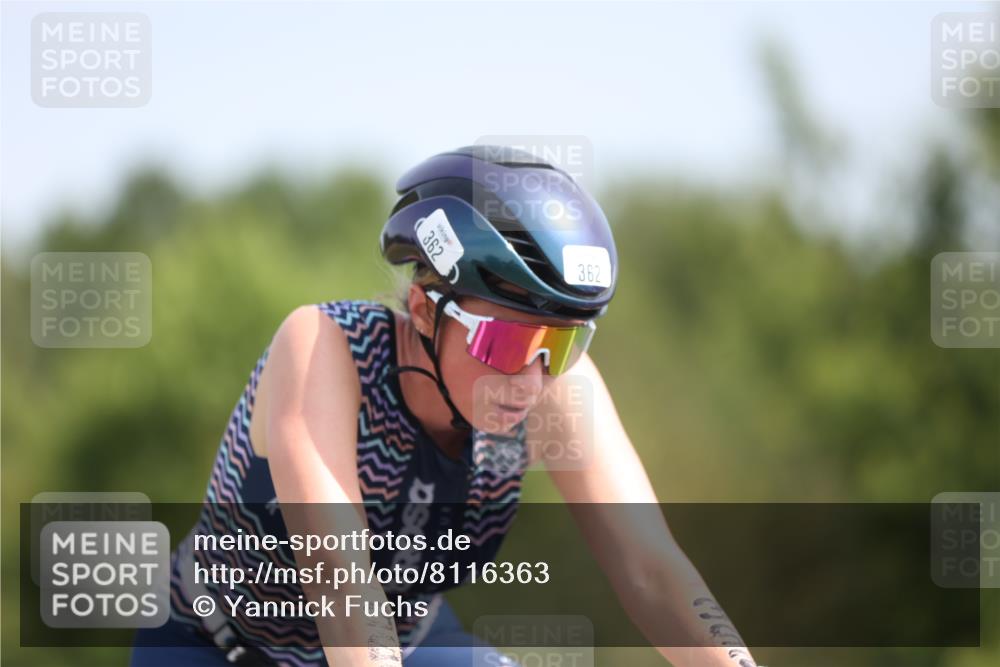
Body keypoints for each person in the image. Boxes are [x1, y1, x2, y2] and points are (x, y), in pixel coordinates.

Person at [130, 145, 757, 667]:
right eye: (507, 339)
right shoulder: (324, 348)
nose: (531, 377)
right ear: (427, 308)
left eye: (563, 342)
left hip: (411, 647)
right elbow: (346, 592)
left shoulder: (553, 381)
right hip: (216, 646)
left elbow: (652, 569)